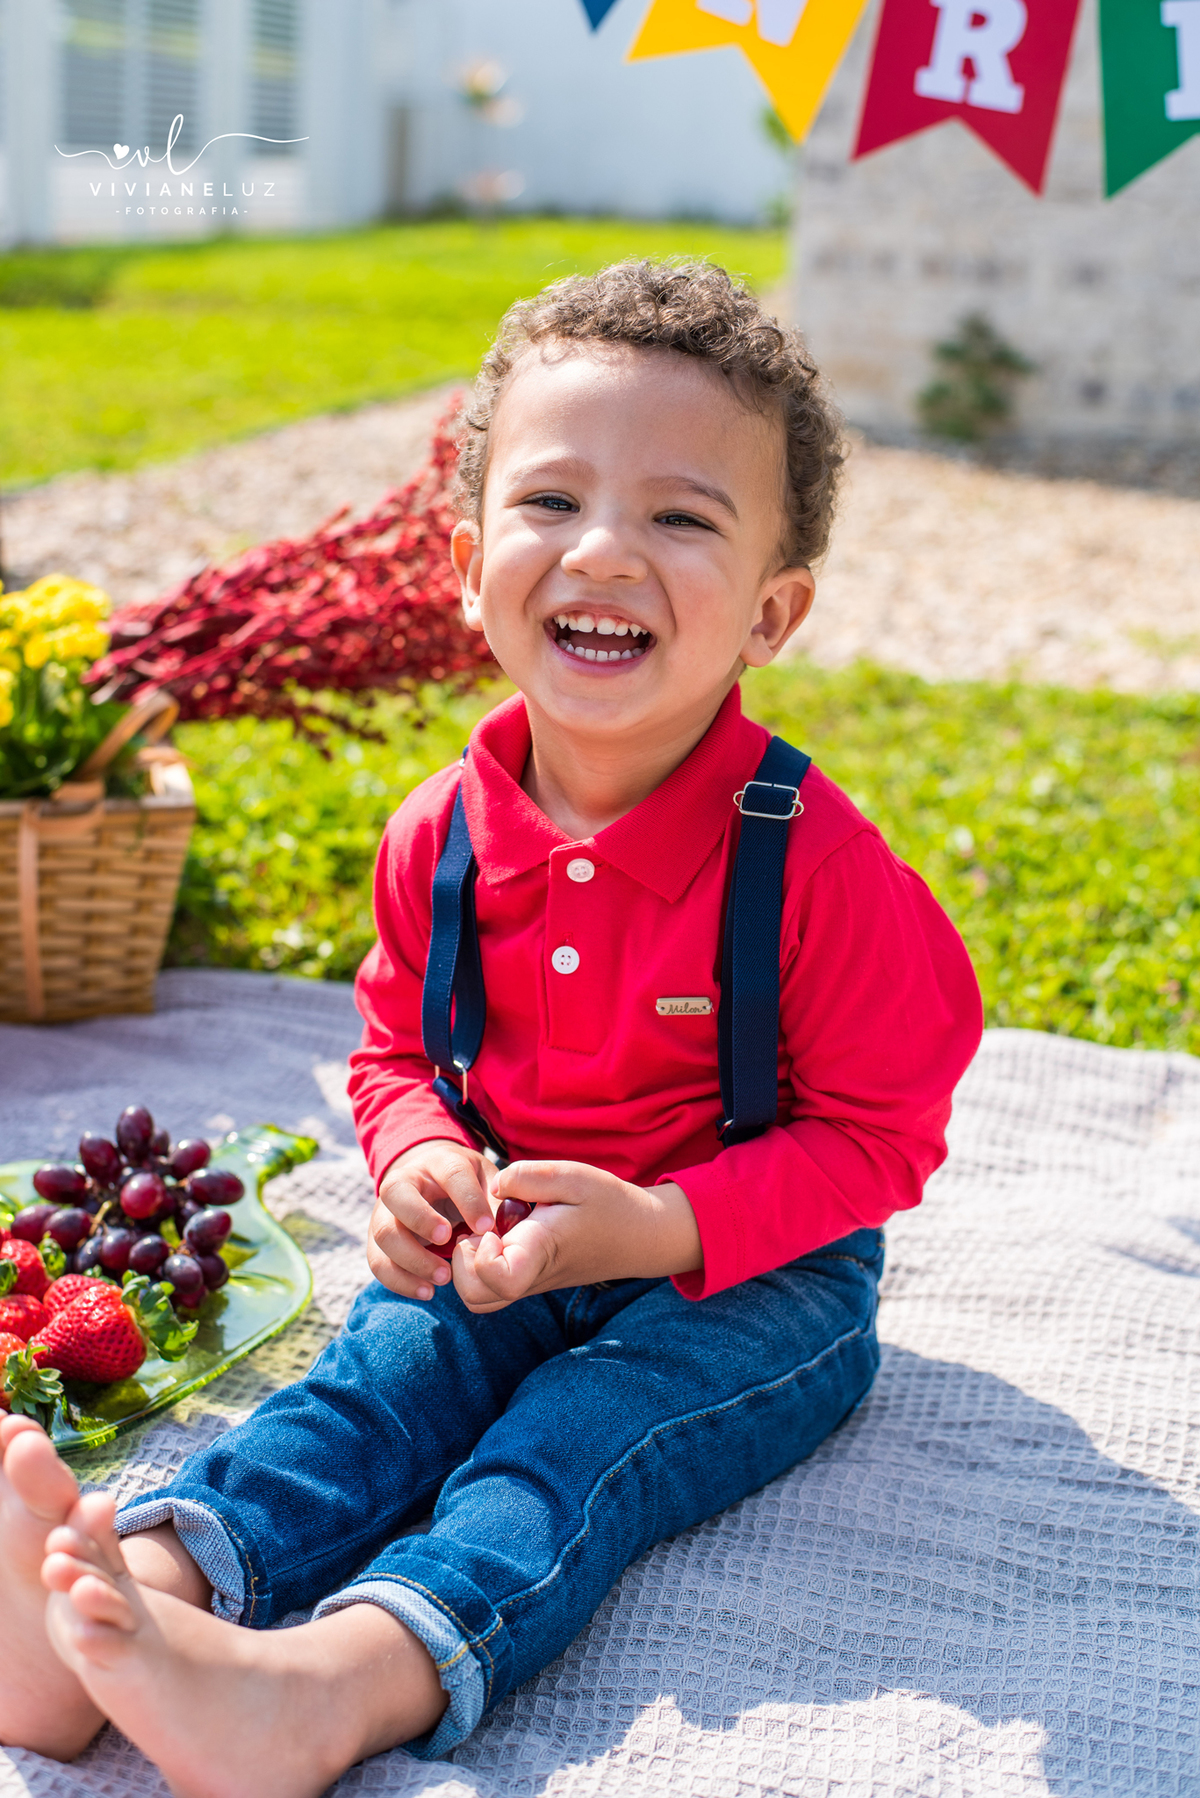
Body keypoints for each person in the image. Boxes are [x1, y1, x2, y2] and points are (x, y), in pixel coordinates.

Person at [0, 260, 982, 1797]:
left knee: (577, 1432)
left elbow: (881, 1137)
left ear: (773, 610)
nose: (601, 550)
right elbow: (393, 1054)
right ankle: (145, 1597)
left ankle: (334, 1686)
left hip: (758, 1281)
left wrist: (658, 1224)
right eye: (549, 502)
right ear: (466, 566)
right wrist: (418, 1159)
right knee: (375, 1383)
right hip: (506, 1238)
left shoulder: (816, 864)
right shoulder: (437, 836)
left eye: (680, 515)